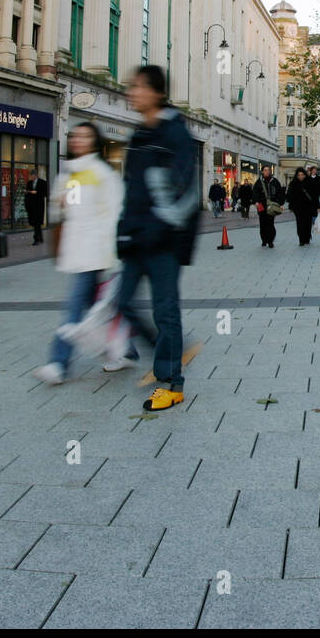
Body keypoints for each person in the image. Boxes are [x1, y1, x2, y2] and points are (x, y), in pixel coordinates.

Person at [114, 65, 199, 412]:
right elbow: (132, 188)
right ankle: (169, 353)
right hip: (135, 239)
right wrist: (123, 229)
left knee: (166, 312)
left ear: (155, 92)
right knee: (121, 304)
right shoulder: (139, 134)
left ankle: (171, 383)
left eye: (136, 87)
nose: (131, 93)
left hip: (165, 239)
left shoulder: (175, 134)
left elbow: (186, 194)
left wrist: (161, 226)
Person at [33, 122, 123, 385]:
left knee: (73, 309)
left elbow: (114, 212)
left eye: (85, 136)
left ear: (95, 141)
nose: (78, 140)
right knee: (98, 307)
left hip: (95, 252)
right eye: (75, 136)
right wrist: (60, 206)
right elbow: (59, 212)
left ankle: (58, 364)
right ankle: (125, 349)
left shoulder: (102, 173)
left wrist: (110, 250)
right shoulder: (69, 173)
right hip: (77, 252)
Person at [254, 165, 284, 247]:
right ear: (262, 171)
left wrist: (280, 203)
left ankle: (270, 241)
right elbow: (255, 192)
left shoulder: (275, 181)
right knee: (262, 223)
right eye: (265, 170)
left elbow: (280, 193)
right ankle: (264, 240)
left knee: (270, 223)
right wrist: (256, 201)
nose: (267, 172)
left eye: (268, 170)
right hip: (261, 205)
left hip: (272, 206)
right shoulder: (259, 182)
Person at [287, 168, 318, 246]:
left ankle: (307, 238)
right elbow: (289, 196)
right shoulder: (293, 183)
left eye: (302, 175)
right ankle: (301, 239)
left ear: (305, 175)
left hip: (308, 207)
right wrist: (291, 205)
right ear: (296, 176)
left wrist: (317, 206)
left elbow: (314, 195)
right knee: (300, 223)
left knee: (308, 223)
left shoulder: (310, 182)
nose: (300, 176)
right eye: (299, 175)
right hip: (298, 208)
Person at [25, 169, 49, 244]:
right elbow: (27, 194)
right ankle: (40, 238)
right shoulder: (29, 183)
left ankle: (36, 239)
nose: (32, 178)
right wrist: (28, 193)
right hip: (31, 206)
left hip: (39, 206)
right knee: (35, 224)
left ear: (36, 175)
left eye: (33, 176)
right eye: (31, 176)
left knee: (37, 223)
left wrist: (36, 192)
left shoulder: (43, 183)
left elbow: (45, 193)